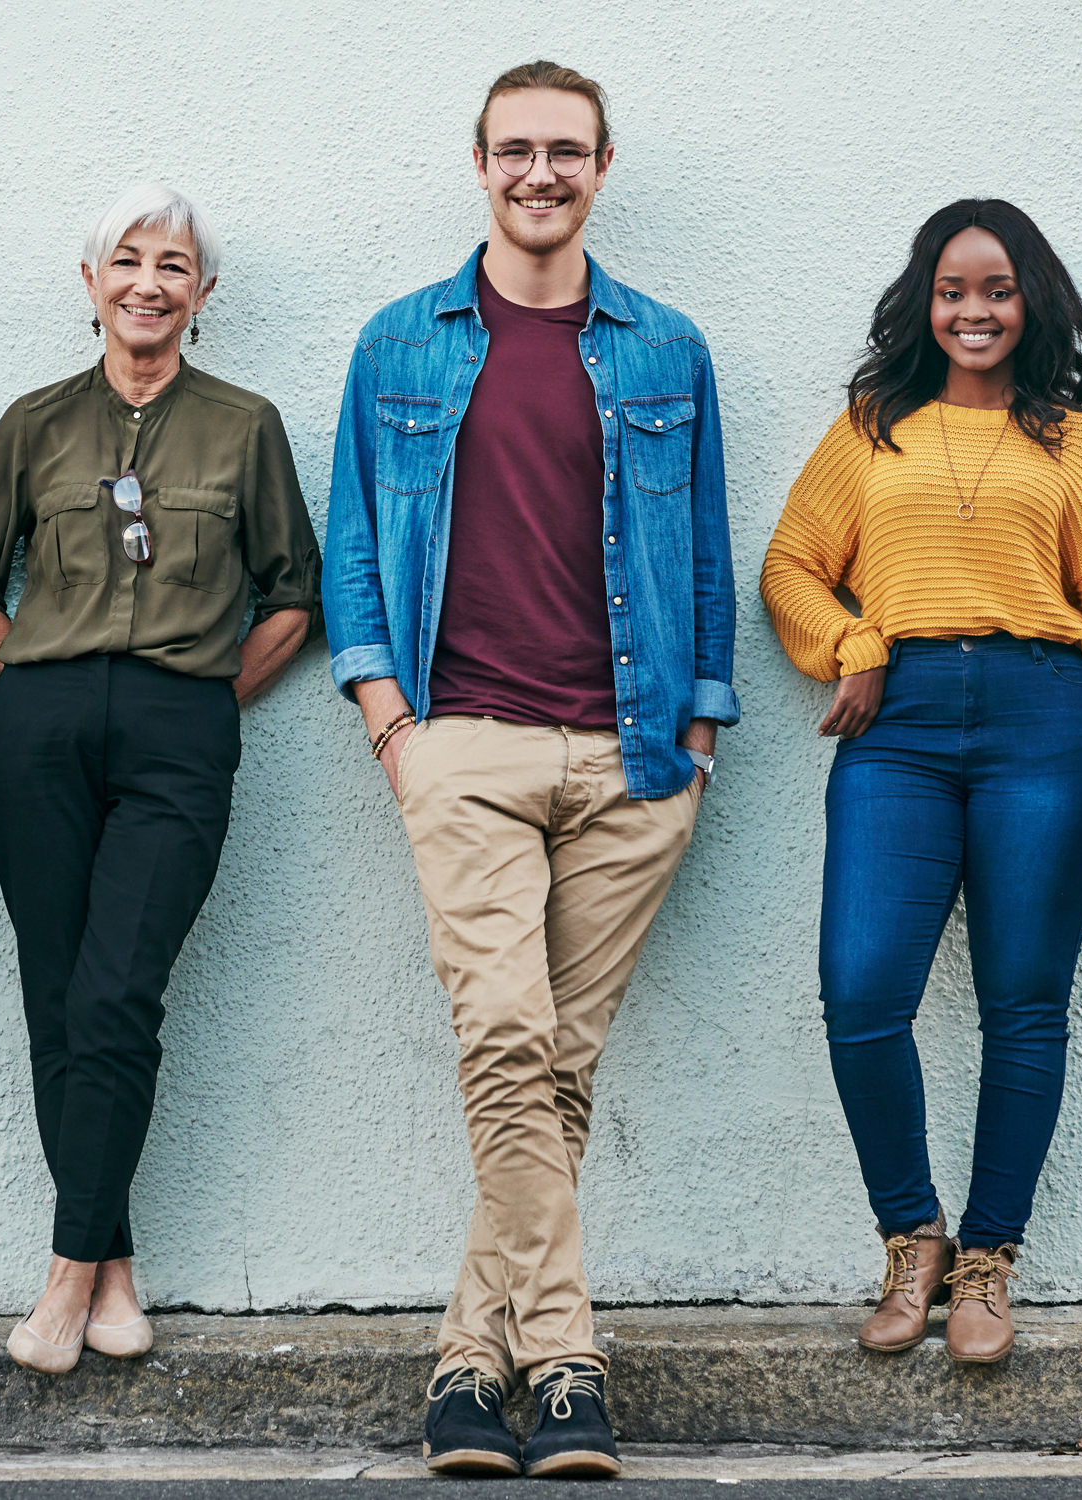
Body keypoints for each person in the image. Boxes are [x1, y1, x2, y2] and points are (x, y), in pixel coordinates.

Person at [322, 59, 738, 1481]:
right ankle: (566, 1362)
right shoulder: (402, 344)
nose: (540, 173)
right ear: (481, 163)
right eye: (517, 150)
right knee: (506, 1039)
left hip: (631, 758)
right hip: (467, 743)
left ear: (603, 166)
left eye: (567, 151)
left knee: (555, 1070)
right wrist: (393, 722)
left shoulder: (667, 349)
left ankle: (465, 1362)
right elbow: (355, 556)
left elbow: (700, 557)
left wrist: (695, 734)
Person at [757, 199, 1082, 1368]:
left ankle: (990, 1262)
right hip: (902, 724)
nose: (974, 310)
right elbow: (790, 567)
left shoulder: (1076, 445)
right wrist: (851, 644)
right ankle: (912, 1236)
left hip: (1049, 723)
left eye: (997, 289)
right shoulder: (871, 428)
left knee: (1024, 1000)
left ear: (1030, 301)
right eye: (953, 290)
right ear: (923, 303)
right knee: (861, 989)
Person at [0, 183, 319, 1375]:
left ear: (205, 295)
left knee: (115, 995)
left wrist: (199, 698)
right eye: (128, 261)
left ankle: (61, 1276)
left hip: (179, 729)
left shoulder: (246, 425)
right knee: (57, 995)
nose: (150, 282)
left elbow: (294, 592)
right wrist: (36, 671)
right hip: (39, 724)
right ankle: (115, 1268)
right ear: (91, 282)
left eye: (176, 265)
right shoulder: (35, 423)